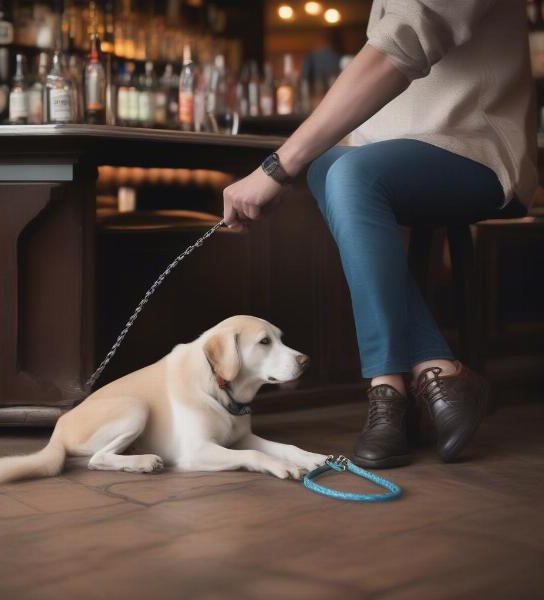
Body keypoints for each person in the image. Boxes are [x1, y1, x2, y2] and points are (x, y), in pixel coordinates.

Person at [222, 0, 537, 468]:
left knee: (344, 174)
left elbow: (401, 44)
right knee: (326, 168)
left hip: (476, 149)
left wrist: (277, 165)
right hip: (388, 152)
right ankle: (437, 368)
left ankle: (386, 387)